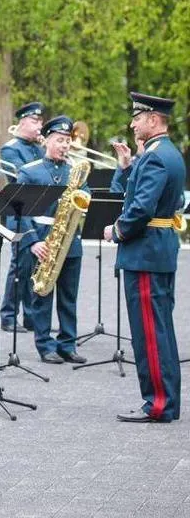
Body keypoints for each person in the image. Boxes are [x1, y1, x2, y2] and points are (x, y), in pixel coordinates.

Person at [104, 92, 185, 424]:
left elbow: (139, 209)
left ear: (154, 119)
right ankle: (166, 399)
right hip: (158, 249)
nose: (132, 123)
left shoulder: (154, 157)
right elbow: (141, 193)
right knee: (161, 328)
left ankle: (158, 404)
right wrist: (126, 168)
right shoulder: (168, 153)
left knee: (150, 332)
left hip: (145, 253)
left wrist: (117, 231)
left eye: (137, 117)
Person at [18, 116, 88, 365]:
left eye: (67, 141)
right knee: (42, 294)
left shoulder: (75, 171)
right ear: (46, 140)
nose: (64, 145)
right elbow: (20, 212)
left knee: (69, 297)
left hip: (71, 242)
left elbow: (85, 201)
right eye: (59, 140)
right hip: (44, 242)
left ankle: (67, 344)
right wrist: (33, 241)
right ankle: (45, 344)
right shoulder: (30, 171)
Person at [0, 101, 45, 333]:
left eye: (40, 121)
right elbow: (23, 176)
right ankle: (8, 315)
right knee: (20, 266)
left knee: (36, 268)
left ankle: (31, 316)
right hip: (19, 212)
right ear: (23, 122)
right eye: (35, 121)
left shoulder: (38, 147)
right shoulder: (10, 148)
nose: (39, 126)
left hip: (39, 212)